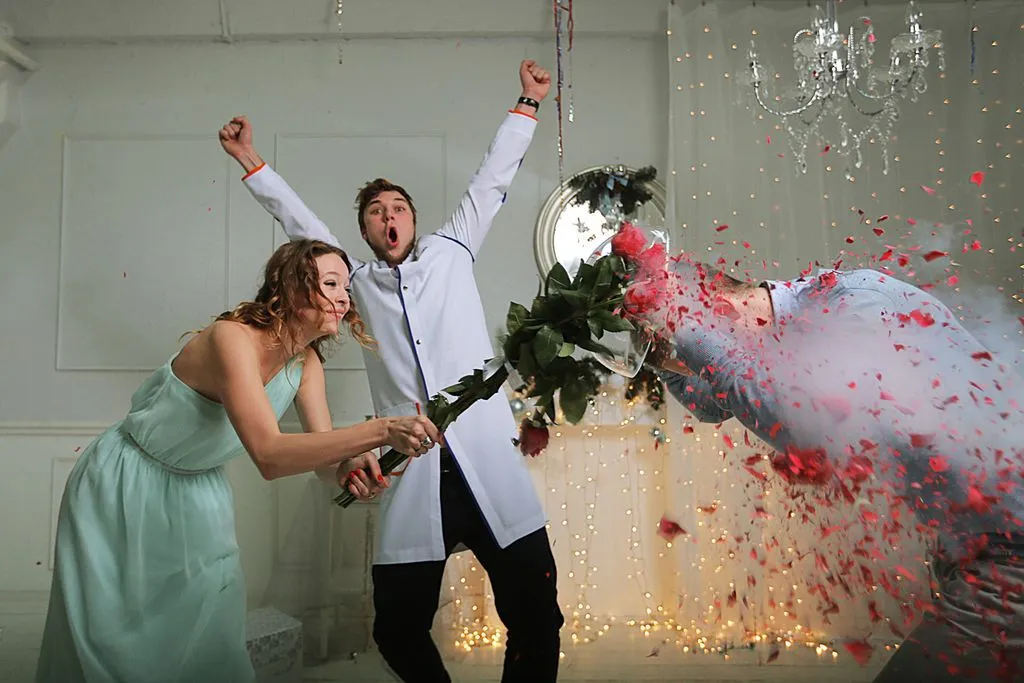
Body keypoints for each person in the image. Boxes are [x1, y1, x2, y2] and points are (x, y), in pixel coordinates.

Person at [217, 60, 563, 683]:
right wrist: (250, 160)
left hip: (487, 460)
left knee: (537, 614)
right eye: (376, 212)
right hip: (414, 469)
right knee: (397, 629)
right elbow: (299, 223)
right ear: (365, 231)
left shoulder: (454, 250)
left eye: (397, 207)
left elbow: (491, 179)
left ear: (413, 219)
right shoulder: (354, 280)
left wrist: (529, 102)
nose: (388, 216)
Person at [35, 239, 441, 683]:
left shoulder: (306, 365)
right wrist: (380, 430)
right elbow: (268, 455)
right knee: (113, 645)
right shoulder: (231, 337)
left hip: (199, 491)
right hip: (124, 482)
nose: (343, 298)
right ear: (291, 286)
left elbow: (322, 460)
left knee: (209, 641)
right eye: (330, 284)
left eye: (346, 287)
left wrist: (348, 467)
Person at [644, 259, 1024, 682]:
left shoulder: (859, 303)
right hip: (975, 540)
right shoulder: (794, 330)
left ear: (724, 309)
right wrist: (660, 357)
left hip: (1011, 546)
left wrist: (684, 328)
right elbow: (714, 403)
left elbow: (813, 430)